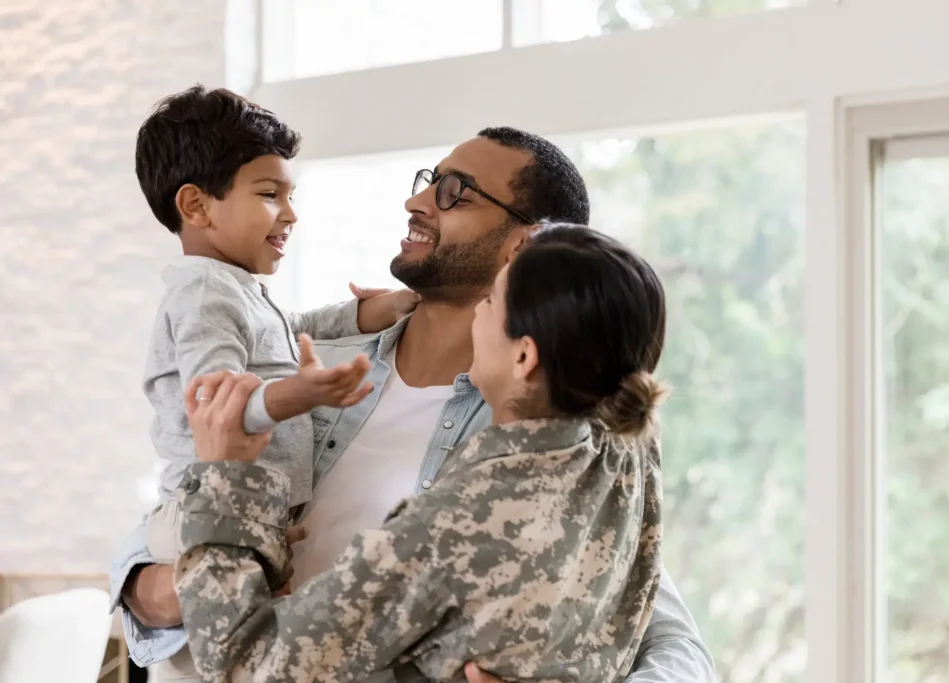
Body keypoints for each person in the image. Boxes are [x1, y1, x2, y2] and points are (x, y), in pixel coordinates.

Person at [111, 127, 715, 683]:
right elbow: (174, 503)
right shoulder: (302, 363)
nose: (418, 202)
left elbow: (667, 639)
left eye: (455, 192)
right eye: (430, 179)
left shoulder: (574, 434)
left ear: (525, 245)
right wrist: (158, 589)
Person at [175, 223, 667, 682]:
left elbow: (244, 660)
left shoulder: (458, 525)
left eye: (491, 300)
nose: (478, 309)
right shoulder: (628, 447)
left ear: (524, 356)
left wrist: (223, 475)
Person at [132, 85, 416, 679]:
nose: (290, 214)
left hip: (236, 516)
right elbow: (219, 402)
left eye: (291, 196)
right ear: (197, 205)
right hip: (199, 514)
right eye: (269, 194)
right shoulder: (204, 293)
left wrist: (381, 309)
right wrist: (301, 394)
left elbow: (294, 329)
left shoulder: (236, 291)